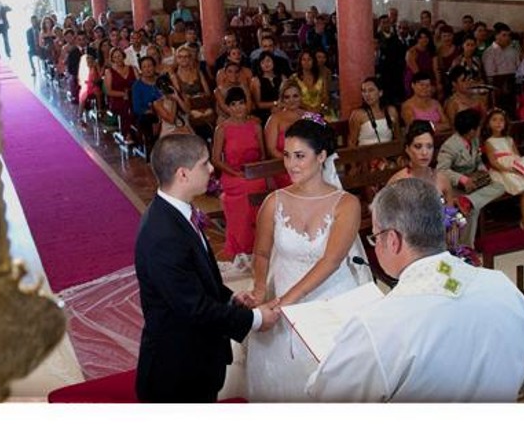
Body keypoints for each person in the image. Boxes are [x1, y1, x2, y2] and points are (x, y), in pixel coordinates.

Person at [305, 176, 524, 402]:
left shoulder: (378, 326)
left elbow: (324, 398)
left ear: (393, 240)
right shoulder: (504, 289)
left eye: (375, 237)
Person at [134, 134, 279, 402]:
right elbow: (193, 308)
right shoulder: (162, 234)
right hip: (176, 373)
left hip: (197, 360)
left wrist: (228, 296)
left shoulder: (178, 213)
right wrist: (256, 320)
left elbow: (196, 277)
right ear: (183, 174)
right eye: (204, 164)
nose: (212, 169)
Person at [244, 118, 372, 402]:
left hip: (330, 296)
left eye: (300, 156)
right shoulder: (274, 201)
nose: (291, 164)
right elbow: (262, 253)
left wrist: (283, 303)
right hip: (283, 296)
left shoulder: (346, 204)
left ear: (322, 156)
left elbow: (331, 261)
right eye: (287, 155)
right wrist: (260, 290)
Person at [212, 87, 267, 259]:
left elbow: (264, 155)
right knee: (244, 191)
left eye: (241, 103)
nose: (238, 108)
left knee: (259, 186)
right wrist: (236, 173)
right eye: (233, 104)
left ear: (246, 104)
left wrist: (256, 170)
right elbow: (216, 159)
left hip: (254, 172)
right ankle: (241, 245)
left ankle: (260, 243)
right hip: (233, 174)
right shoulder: (222, 129)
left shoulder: (256, 126)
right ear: (228, 107)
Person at [436, 108, 505, 246]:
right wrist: (463, 179)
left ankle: (467, 201)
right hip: (456, 188)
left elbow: (478, 161)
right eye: (478, 127)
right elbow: (441, 170)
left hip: (473, 185)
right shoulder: (450, 146)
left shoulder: (474, 140)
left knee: (500, 187)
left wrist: (482, 171)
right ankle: (467, 246)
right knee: (473, 210)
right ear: (472, 130)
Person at [388, 120, 454, 204]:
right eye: (418, 146)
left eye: (429, 146)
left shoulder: (442, 179)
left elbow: (451, 213)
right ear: (407, 149)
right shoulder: (396, 182)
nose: (424, 152)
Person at [349, 76, 401, 147]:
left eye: (371, 90)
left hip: (388, 154)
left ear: (380, 93)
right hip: (365, 155)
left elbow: (398, 137)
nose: (367, 94)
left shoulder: (391, 111)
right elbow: (352, 142)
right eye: (364, 91)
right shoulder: (358, 114)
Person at [292, 49, 329, 114]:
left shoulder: (321, 77)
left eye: (309, 59)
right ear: (300, 62)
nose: (306, 62)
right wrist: (308, 109)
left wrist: (320, 107)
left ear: (313, 61)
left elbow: (325, 97)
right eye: (304, 59)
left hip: (321, 110)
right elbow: (293, 98)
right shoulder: (294, 78)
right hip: (301, 111)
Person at [404, 28, 436, 98]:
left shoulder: (431, 50)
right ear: (417, 39)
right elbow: (417, 73)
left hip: (429, 77)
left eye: (426, 37)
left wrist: (438, 82)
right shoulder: (412, 52)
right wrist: (427, 86)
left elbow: (435, 68)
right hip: (415, 79)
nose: (424, 40)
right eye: (421, 38)